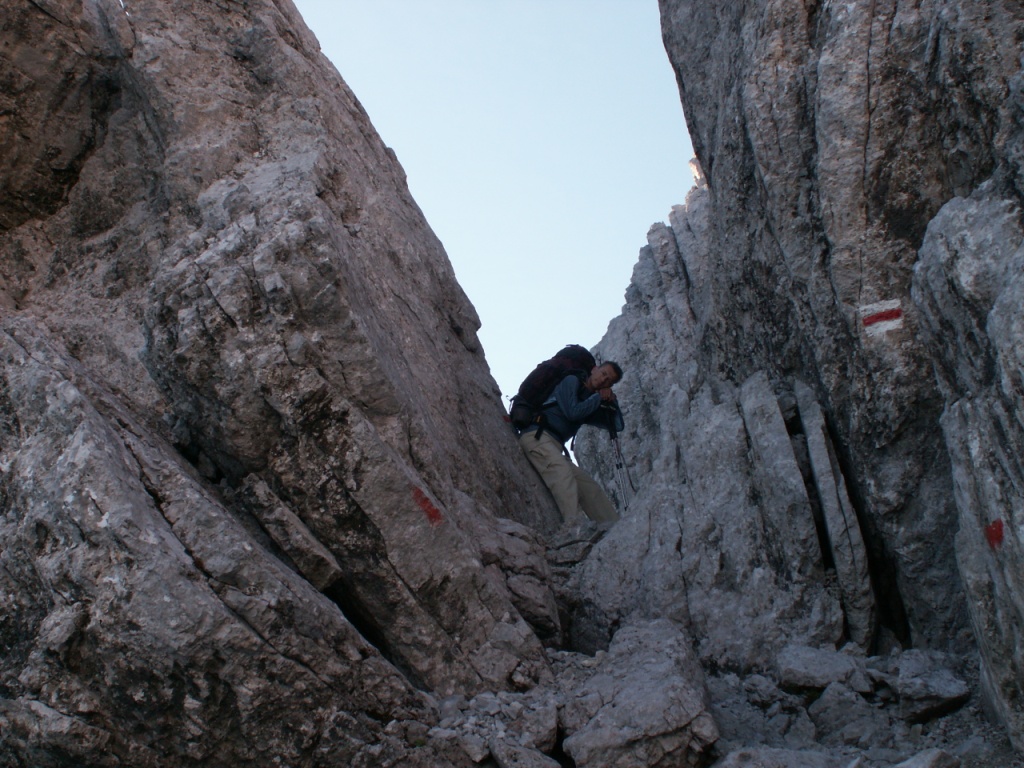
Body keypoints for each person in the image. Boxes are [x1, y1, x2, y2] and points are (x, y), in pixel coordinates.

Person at [519, 361, 624, 524]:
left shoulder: (590, 401)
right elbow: (572, 412)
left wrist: (612, 400)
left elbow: (617, 426)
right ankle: (574, 528)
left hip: (554, 447)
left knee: (590, 488)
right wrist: (598, 397)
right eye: (604, 374)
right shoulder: (572, 381)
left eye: (609, 380)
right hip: (536, 436)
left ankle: (615, 529)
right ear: (594, 369)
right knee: (563, 475)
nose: (604, 380)